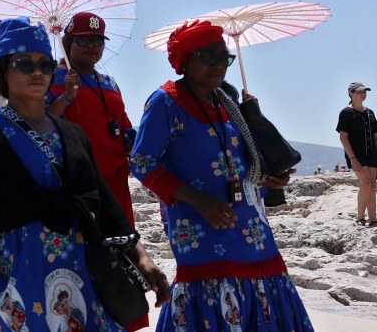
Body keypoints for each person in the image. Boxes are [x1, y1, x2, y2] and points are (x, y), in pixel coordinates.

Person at [0, 17, 169, 332]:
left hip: (78, 270)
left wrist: (141, 255)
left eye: (44, 63)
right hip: (15, 275)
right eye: (23, 64)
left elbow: (103, 203)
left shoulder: (72, 133)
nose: (37, 71)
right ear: (4, 71)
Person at [130, 20, 311, 331]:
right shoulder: (166, 101)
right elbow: (142, 161)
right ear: (184, 60)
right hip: (200, 226)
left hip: (252, 228)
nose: (218, 64)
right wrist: (198, 199)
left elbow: (238, 162)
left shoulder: (226, 100)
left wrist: (265, 181)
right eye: (207, 56)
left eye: (222, 57)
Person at [47, 12, 137, 234]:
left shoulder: (109, 83)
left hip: (115, 176)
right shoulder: (51, 80)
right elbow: (40, 122)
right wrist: (66, 97)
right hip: (78, 176)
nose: (91, 46)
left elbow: (123, 122)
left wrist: (132, 141)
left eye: (97, 40)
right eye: (83, 39)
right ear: (68, 42)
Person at [337, 82, 377, 226]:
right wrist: (352, 158)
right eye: (360, 91)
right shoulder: (346, 113)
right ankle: (360, 217)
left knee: (373, 184)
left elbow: (375, 135)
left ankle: (373, 219)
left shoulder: (370, 112)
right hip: (356, 154)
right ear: (351, 93)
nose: (363, 93)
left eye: (365, 91)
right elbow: (343, 137)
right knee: (365, 183)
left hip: (372, 153)